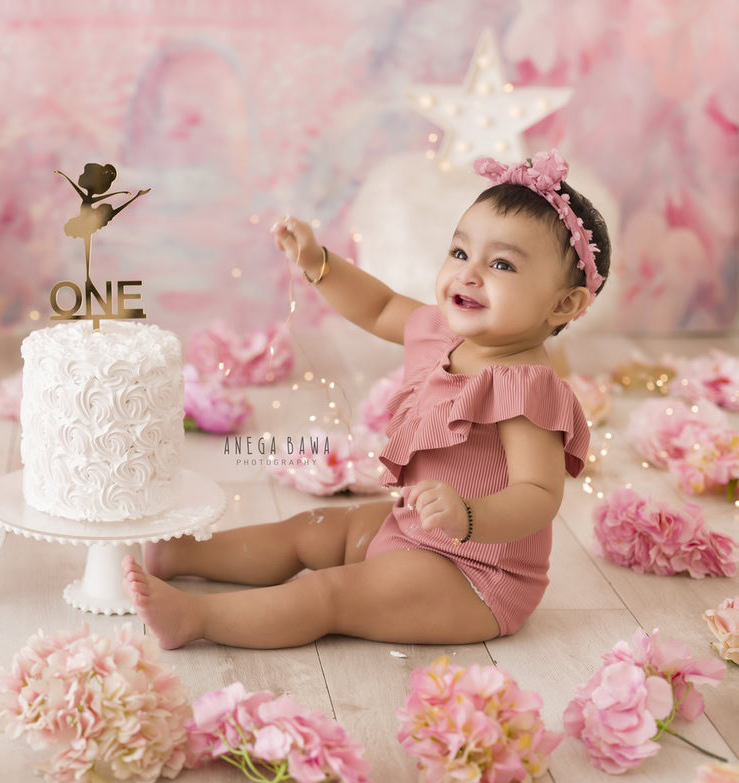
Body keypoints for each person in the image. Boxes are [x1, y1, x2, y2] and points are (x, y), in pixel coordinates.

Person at [123, 149, 609, 650]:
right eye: (461, 253)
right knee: (311, 530)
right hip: (412, 528)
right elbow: (378, 307)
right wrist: (318, 265)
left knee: (330, 593)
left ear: (563, 303)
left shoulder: (526, 386)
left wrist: (469, 516)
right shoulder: (443, 333)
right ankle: (178, 556)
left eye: (502, 264)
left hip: (473, 574)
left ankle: (197, 619)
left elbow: (539, 494)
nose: (468, 274)